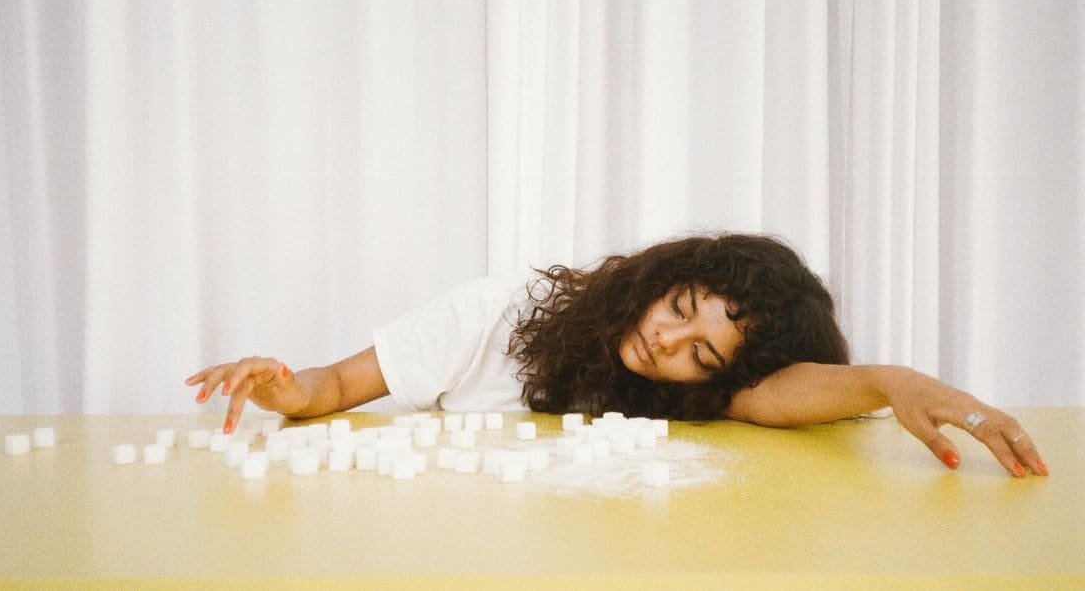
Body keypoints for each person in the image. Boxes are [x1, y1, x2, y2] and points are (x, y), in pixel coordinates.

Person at [184, 233, 1048, 478]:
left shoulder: (689, 399)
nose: (666, 340)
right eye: (677, 307)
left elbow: (778, 394)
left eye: (701, 351)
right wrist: (287, 389)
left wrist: (895, 381)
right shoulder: (498, 311)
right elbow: (337, 385)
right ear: (660, 278)